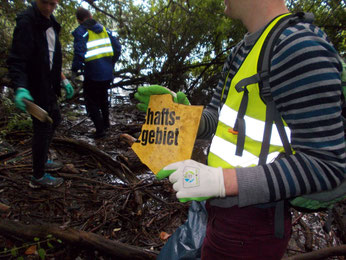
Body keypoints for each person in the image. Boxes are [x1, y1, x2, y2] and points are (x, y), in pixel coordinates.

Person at [136, 0, 346, 259]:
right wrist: (180, 115)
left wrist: (221, 182)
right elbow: (218, 117)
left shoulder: (299, 47)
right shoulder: (242, 49)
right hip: (219, 209)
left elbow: (326, 164)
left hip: (255, 223)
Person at [7, 0, 74, 189]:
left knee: (56, 118)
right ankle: (37, 176)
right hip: (35, 85)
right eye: (45, 3)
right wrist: (20, 87)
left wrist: (63, 79)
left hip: (49, 84)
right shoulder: (27, 22)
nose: (48, 8)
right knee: (42, 126)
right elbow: (17, 60)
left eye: (53, 4)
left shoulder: (52, 22)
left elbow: (50, 56)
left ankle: (43, 159)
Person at [71, 7, 121, 139]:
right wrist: (111, 63)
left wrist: (75, 70)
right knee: (103, 97)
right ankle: (106, 124)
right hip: (107, 73)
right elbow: (117, 47)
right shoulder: (105, 29)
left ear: (79, 20)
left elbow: (79, 52)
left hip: (92, 73)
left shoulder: (81, 31)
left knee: (91, 102)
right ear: (90, 16)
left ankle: (100, 130)